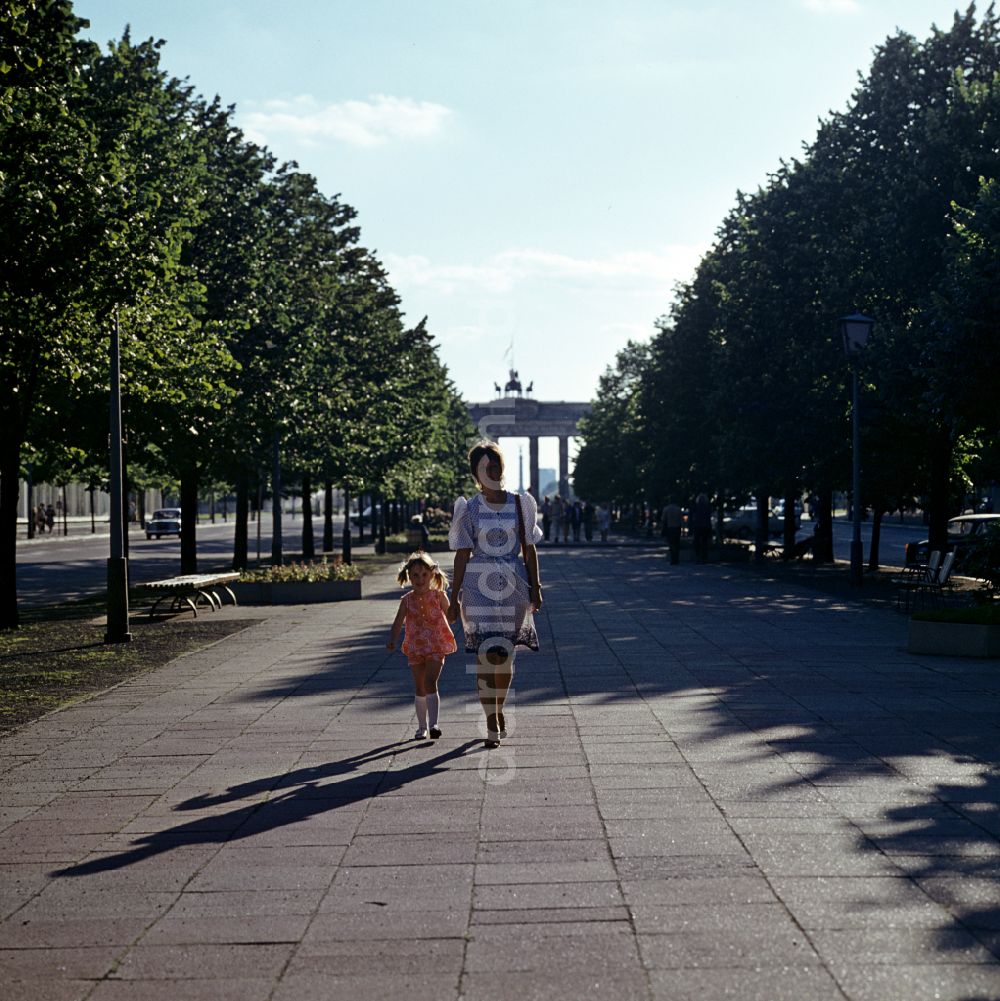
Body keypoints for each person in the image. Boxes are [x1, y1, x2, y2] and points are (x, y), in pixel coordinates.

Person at [449, 441, 543, 748]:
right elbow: (462, 554)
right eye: (485, 467)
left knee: (505, 656)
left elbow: (529, 550)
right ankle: (491, 718)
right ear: (475, 473)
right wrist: (454, 596)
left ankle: (498, 707)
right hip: (478, 587)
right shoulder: (469, 509)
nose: (492, 471)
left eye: (496, 465)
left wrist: (536, 587)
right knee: (485, 656)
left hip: (514, 586)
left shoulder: (521, 503)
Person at [387, 552, 457, 740]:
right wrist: (392, 639)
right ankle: (421, 727)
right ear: (409, 576)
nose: (420, 579)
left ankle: (434, 724)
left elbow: (451, 616)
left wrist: (457, 610)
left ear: (432, 575)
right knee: (419, 687)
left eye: (424, 574)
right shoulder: (407, 600)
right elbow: (397, 622)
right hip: (415, 647)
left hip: (436, 645)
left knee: (430, 682)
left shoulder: (439, 596)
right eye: (415, 575)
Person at [690, 493, 713, 563]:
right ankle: (704, 558)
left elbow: (692, 517)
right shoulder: (708, 507)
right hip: (706, 526)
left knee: (697, 542)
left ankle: (698, 557)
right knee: (705, 542)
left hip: (697, 526)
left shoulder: (695, 506)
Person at [661, 499, 683, 565]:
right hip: (677, 528)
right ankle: (676, 558)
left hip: (669, 528)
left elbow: (663, 519)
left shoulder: (666, 509)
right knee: (677, 544)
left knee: (671, 544)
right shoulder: (678, 509)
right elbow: (681, 519)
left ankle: (673, 559)